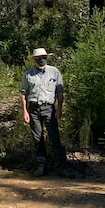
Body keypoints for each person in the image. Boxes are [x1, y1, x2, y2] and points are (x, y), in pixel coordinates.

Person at [20, 48, 69, 177]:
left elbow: (59, 92)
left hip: (49, 108)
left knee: (55, 138)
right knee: (37, 138)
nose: (41, 60)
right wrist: (25, 111)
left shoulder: (54, 72)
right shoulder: (28, 74)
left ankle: (62, 167)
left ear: (47, 58)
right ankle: (41, 167)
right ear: (34, 59)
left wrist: (59, 109)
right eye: (38, 58)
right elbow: (24, 93)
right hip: (33, 109)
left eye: (43, 57)